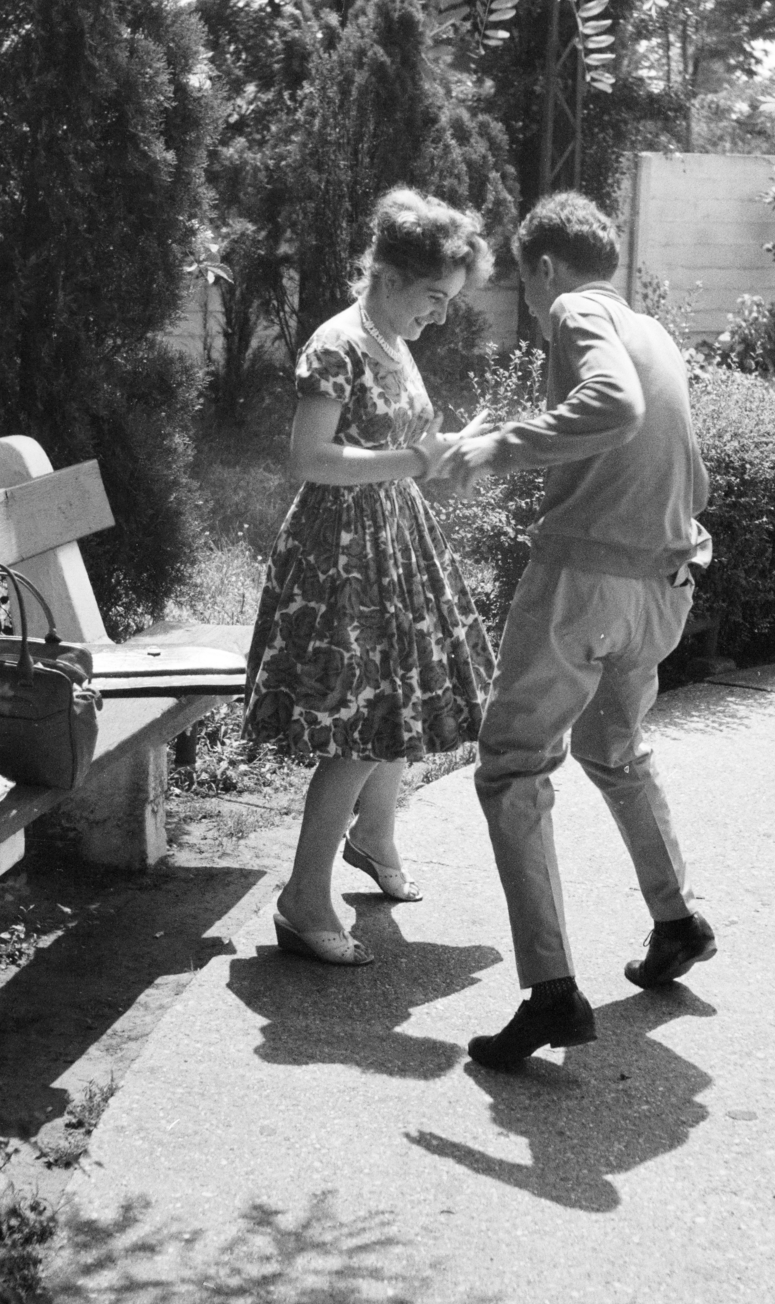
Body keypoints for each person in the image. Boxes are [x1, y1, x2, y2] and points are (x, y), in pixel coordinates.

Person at [444, 191, 715, 1067]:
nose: (530, 308)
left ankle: (552, 992)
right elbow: (671, 458)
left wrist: (501, 446)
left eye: (525, 287)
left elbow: (613, 408)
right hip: (661, 587)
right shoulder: (652, 327)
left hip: (586, 584)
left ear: (546, 268)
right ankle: (677, 922)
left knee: (513, 764)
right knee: (616, 751)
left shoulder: (576, 308)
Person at [243, 187, 497, 967]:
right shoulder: (337, 344)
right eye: (433, 297)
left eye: (449, 301)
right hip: (342, 558)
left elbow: (406, 445)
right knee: (360, 724)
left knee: (402, 702)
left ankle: (375, 839)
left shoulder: (392, 336)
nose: (441, 315)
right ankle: (302, 898)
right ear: (387, 277)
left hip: (394, 537)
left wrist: (453, 452)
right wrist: (414, 460)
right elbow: (310, 459)